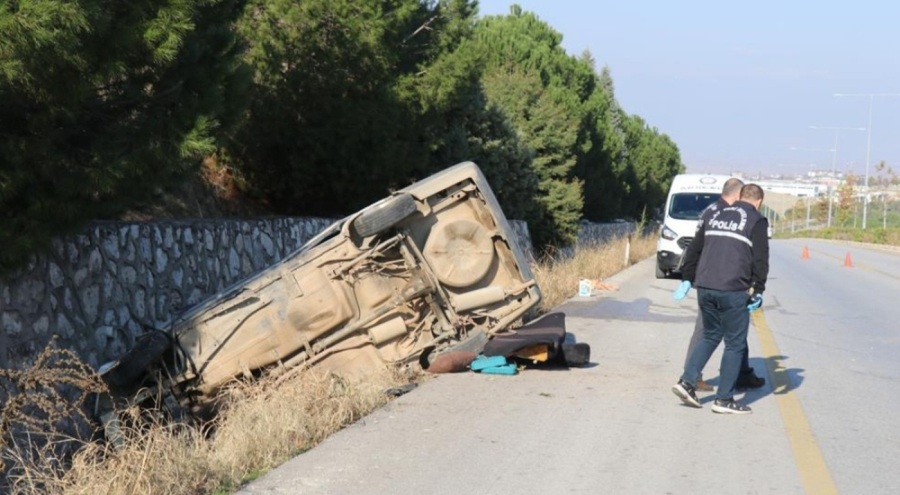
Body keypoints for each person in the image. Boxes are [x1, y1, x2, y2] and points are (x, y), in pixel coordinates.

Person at [671, 183, 770, 414]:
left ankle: (687, 381)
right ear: (759, 202)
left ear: (740, 197)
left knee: (710, 334)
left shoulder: (714, 214)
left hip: (705, 286)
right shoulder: (756, 220)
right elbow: (760, 259)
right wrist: (759, 288)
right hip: (732, 288)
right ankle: (724, 399)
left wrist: (687, 277)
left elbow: (695, 247)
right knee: (735, 343)